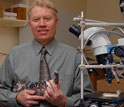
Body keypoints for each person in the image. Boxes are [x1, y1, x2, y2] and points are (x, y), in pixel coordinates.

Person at [0, 0, 94, 106]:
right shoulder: (14, 55)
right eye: (36, 20)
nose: (42, 24)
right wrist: (16, 98)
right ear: (30, 25)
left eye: (47, 19)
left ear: (56, 23)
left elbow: (88, 98)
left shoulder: (74, 56)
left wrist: (65, 102)